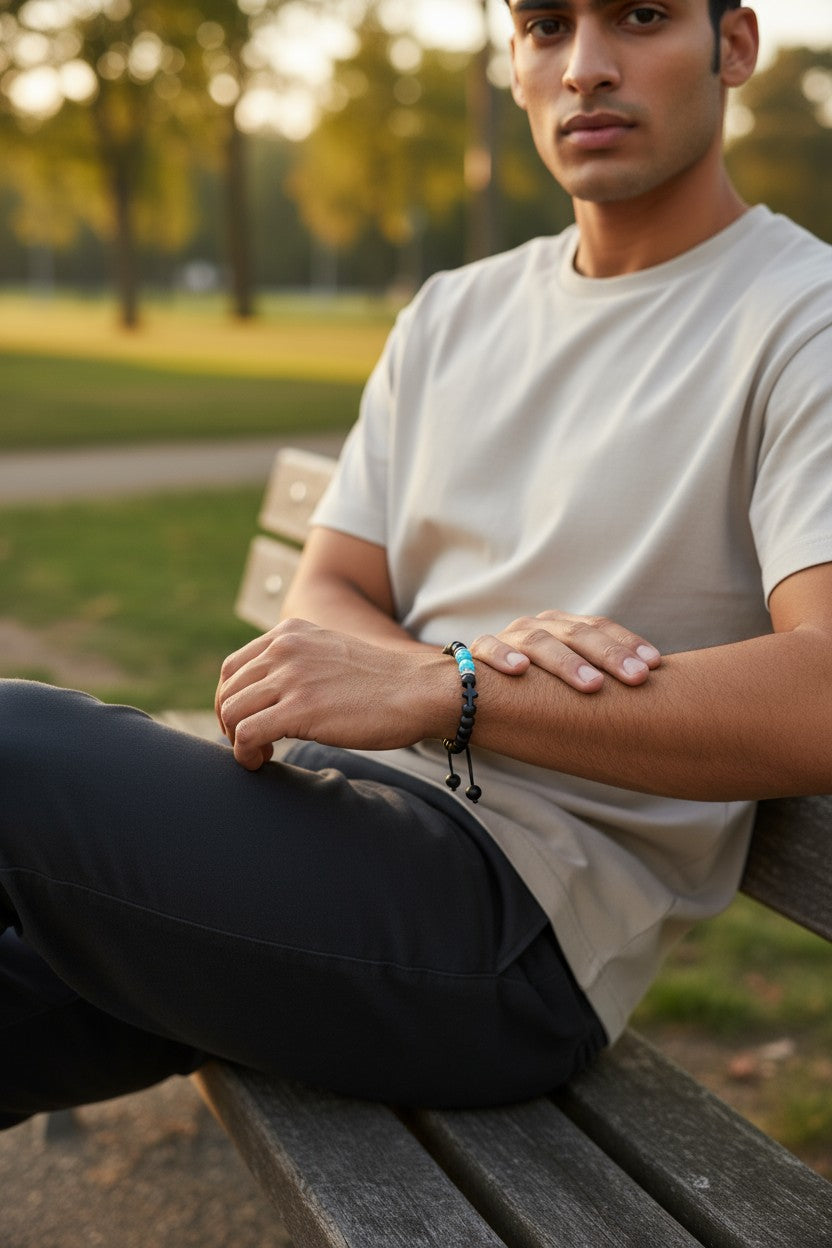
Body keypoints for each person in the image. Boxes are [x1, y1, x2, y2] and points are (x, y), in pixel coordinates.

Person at [2, 0, 831, 1125]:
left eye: (638, 16)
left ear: (732, 46)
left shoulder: (800, 319)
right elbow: (327, 587)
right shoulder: (454, 311)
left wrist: (450, 688)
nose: (585, 66)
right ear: (514, 61)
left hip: (506, 925)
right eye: (545, 25)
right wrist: (430, 675)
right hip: (317, 825)